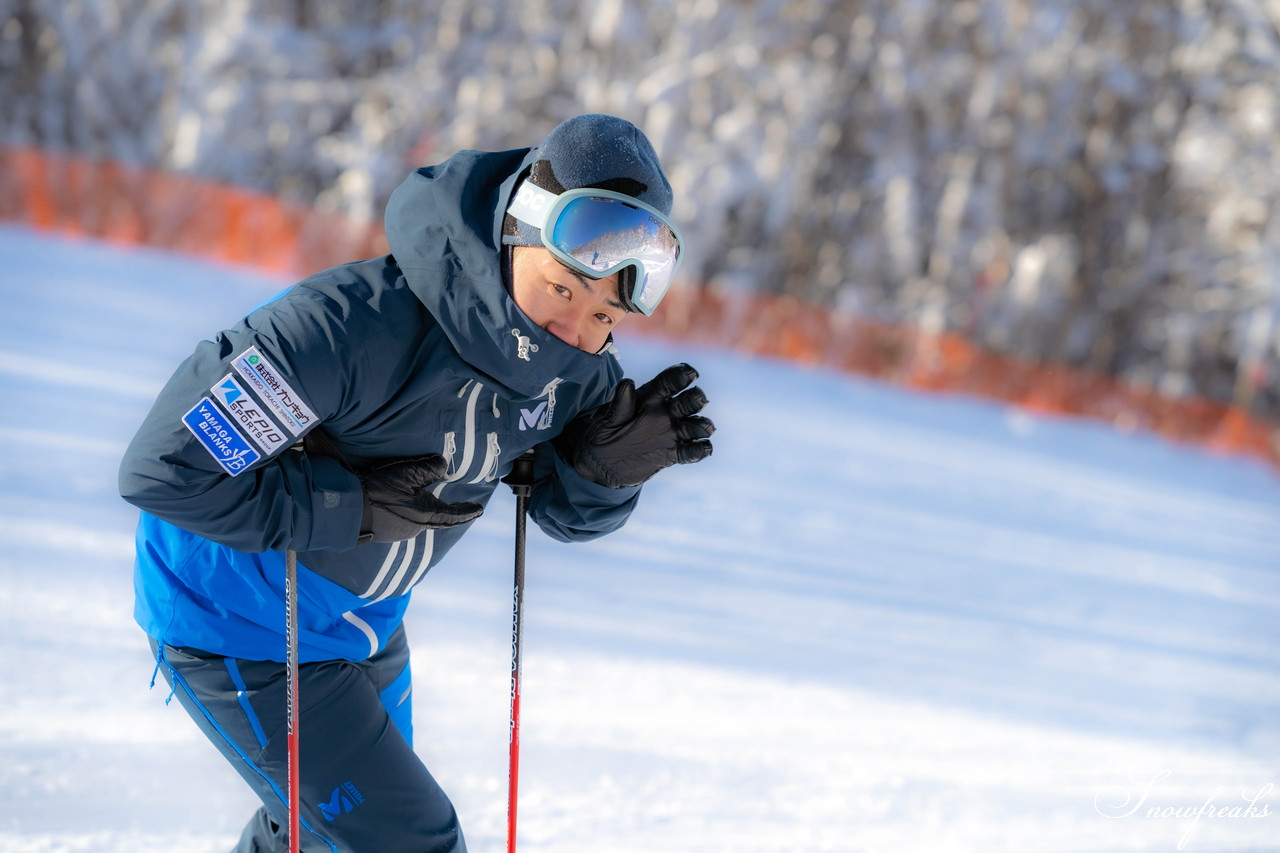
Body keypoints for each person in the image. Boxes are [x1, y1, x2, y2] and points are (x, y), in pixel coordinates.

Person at [118, 113, 715, 852]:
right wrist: (351, 506)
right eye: (562, 291)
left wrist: (607, 474)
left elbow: (563, 511)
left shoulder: (576, 371)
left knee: (319, 836)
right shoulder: (350, 330)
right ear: (515, 235)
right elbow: (167, 470)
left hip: (360, 624)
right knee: (411, 842)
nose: (575, 332)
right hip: (237, 622)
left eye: (603, 316)